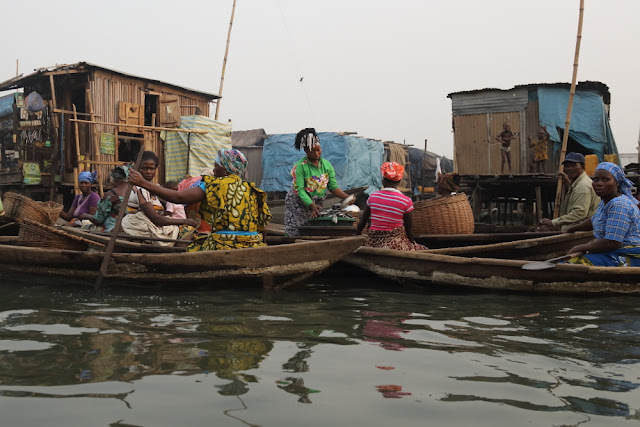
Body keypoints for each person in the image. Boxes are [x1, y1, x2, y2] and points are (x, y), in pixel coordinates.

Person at [128, 148, 272, 251]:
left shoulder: (214, 184)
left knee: (191, 244)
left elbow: (178, 197)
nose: (214, 170)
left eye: (216, 166)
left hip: (225, 244)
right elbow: (263, 227)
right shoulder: (253, 189)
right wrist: (262, 246)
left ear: (227, 170)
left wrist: (142, 183)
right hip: (254, 244)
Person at [564, 162, 640, 266]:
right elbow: (594, 220)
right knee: (571, 262)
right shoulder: (605, 200)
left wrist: (580, 247)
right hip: (613, 252)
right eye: (595, 179)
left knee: (574, 263)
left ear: (616, 183)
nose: (599, 183)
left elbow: (613, 242)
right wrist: (572, 229)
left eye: (605, 180)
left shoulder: (619, 204)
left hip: (628, 256)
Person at [284, 128, 352, 236]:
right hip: (298, 204)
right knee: (296, 231)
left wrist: (346, 197)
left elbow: (333, 187)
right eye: (312, 151)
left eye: (318, 150)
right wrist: (311, 205)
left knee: (313, 229)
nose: (316, 154)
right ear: (306, 150)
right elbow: (300, 190)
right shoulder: (300, 167)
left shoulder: (327, 165)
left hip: (315, 204)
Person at [121, 151, 198, 247]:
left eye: (151, 169)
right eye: (144, 168)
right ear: (137, 169)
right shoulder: (140, 190)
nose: (148, 172)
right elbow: (156, 219)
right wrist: (185, 221)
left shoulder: (152, 188)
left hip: (150, 225)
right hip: (144, 228)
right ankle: (176, 256)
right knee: (188, 228)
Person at [356, 162, 426, 251]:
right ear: (399, 181)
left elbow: (363, 221)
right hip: (395, 243)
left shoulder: (372, 197)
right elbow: (409, 227)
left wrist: (357, 235)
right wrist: (411, 240)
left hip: (373, 241)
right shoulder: (406, 201)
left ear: (383, 181)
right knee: (421, 248)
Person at [536, 152, 599, 231]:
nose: (570, 169)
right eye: (567, 166)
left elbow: (579, 213)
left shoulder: (582, 186)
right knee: (542, 228)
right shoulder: (579, 183)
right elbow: (575, 192)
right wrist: (567, 181)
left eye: (574, 165)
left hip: (579, 226)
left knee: (543, 229)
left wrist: (553, 222)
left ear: (583, 167)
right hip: (576, 224)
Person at [78, 165, 129, 232]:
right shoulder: (137, 191)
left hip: (113, 229)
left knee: (85, 228)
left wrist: (86, 216)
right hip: (132, 227)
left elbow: (98, 220)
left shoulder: (110, 195)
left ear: (114, 179)